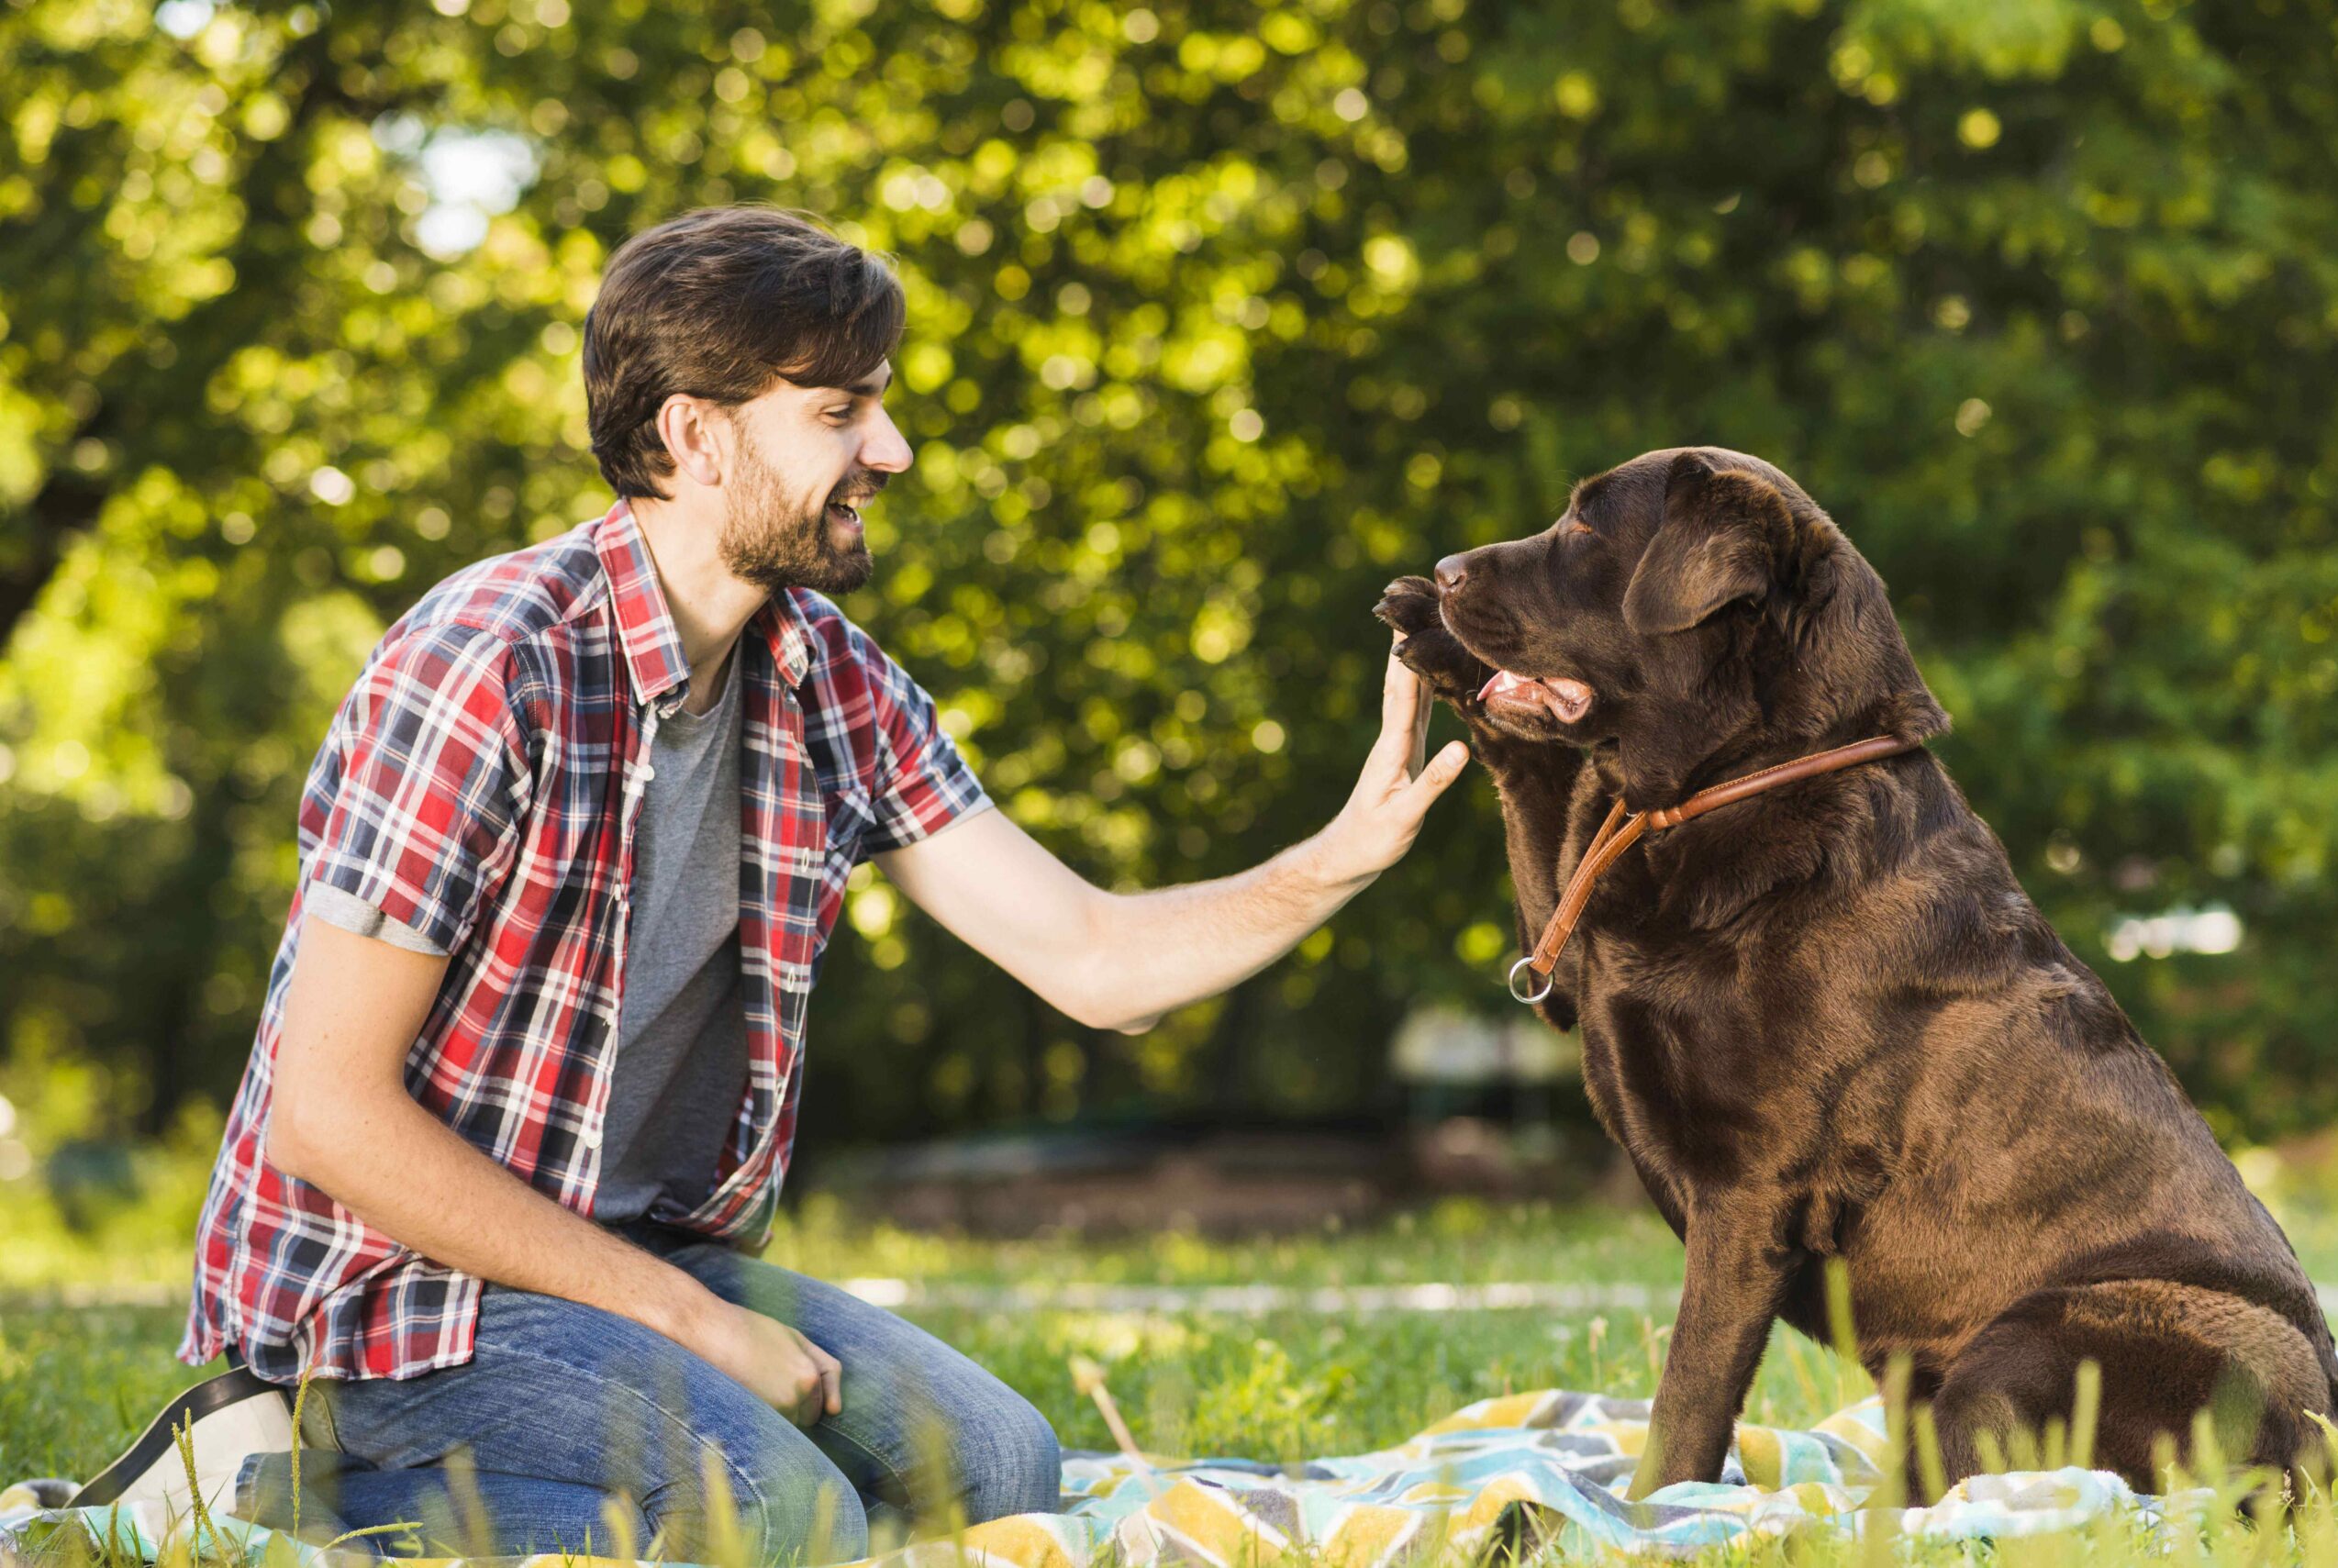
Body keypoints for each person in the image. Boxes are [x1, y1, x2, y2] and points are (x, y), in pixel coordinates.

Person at [98, 206, 1469, 1564]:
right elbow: (328, 1113)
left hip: (618, 1254)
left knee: (997, 1467)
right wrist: (698, 1324)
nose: (893, 450)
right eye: (839, 411)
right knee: (780, 1516)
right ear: (695, 435)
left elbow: (1095, 958)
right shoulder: (491, 664)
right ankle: (256, 1490)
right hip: (391, 1293)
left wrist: (1330, 857)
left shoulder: (829, 681)